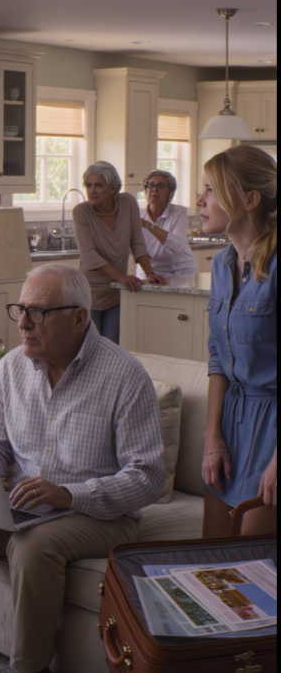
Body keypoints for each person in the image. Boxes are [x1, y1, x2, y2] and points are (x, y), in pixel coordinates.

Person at [0, 263, 165, 673]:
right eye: (21, 309)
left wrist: (69, 494)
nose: (24, 323)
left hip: (100, 515)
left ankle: (31, 668)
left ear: (79, 318)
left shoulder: (125, 376)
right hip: (21, 508)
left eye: (39, 312)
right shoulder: (11, 368)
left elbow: (147, 478)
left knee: (32, 547)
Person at [197, 145, 277, 538]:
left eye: (211, 190)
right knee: (210, 563)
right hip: (229, 426)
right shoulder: (220, 264)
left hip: (273, 432)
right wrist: (213, 437)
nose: (199, 200)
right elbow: (217, 358)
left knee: (253, 565)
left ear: (249, 199)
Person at [73, 161, 167, 342]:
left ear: (113, 188)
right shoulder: (81, 212)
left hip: (116, 292)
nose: (92, 191)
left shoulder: (128, 202)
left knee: (112, 347)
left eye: (99, 185)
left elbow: (137, 242)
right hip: (89, 293)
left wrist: (150, 272)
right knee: (90, 348)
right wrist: (122, 277)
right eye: (89, 185)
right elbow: (90, 257)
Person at [136, 169, 198, 280]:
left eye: (161, 186)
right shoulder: (137, 215)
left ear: (170, 192)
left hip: (181, 270)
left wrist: (148, 225)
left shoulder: (179, 212)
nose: (154, 189)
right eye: (151, 185)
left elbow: (175, 247)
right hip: (149, 270)